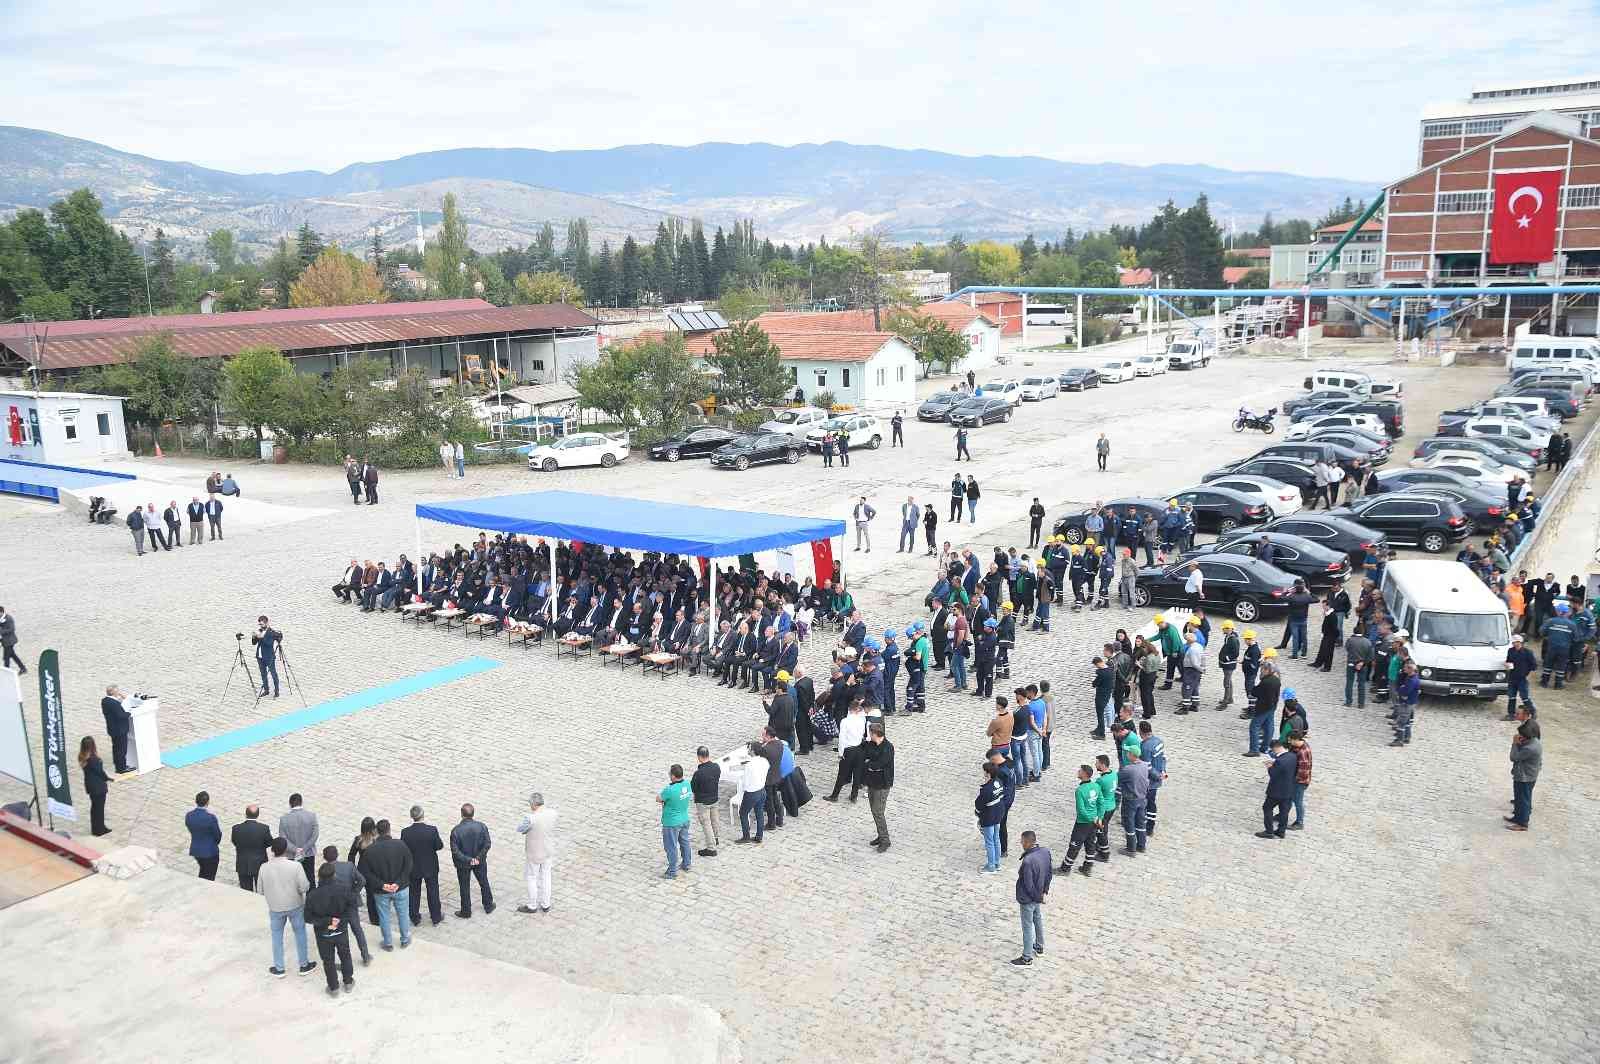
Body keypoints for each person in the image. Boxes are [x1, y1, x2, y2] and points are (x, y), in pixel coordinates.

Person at [260, 838, 316, 977]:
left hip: (275, 907)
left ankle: (279, 968)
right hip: (295, 905)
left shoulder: (264, 867)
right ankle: (304, 964)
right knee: (300, 933)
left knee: (277, 936)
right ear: (286, 850)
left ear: (272, 850)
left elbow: (260, 890)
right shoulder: (295, 866)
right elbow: (304, 886)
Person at [361, 819, 414, 951]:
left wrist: (382, 885)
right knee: (403, 913)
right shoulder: (400, 845)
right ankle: (405, 939)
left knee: (384, 916)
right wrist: (398, 883)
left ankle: (388, 942)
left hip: (381, 891)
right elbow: (408, 865)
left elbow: (365, 872)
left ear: (376, 832)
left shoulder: (370, 850)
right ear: (389, 830)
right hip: (400, 888)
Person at [305, 865, 355, 997]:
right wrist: (339, 921)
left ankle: (333, 988)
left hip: (323, 934)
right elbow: (351, 909)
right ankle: (348, 982)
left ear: (319, 876)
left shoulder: (312, 895)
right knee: (345, 955)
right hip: (341, 930)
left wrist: (327, 921)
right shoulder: (344, 890)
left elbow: (308, 918)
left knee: (328, 961)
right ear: (334, 875)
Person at [319, 843, 372, 967]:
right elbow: (362, 880)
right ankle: (365, 956)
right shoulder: (349, 866)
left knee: (339, 935)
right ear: (337, 855)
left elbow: (322, 888)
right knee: (357, 929)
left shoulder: (324, 870)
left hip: (335, 908)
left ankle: (342, 962)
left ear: (325, 858)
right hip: (350, 904)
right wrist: (353, 893)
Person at [1012, 830, 1052, 966]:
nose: (1021, 843)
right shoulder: (1045, 852)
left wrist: (1038, 898)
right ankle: (1039, 946)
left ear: (1028, 842)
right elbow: (1049, 873)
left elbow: (1028, 885)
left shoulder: (1028, 861)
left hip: (1028, 898)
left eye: (1022, 841)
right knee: (1038, 919)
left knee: (1027, 926)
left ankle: (1026, 957)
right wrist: (1044, 891)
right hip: (1039, 893)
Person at [401, 805, 445, 926]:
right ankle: (436, 916)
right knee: (433, 891)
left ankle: (414, 917)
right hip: (430, 866)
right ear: (423, 815)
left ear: (412, 816)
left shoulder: (405, 832)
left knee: (414, 893)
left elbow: (404, 850)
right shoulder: (431, 830)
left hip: (413, 867)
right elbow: (439, 846)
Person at [450, 804, 495, 917]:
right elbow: (487, 844)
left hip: (463, 864)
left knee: (464, 886)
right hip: (479, 861)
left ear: (461, 814)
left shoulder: (456, 831)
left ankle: (466, 911)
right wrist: (477, 858)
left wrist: (469, 860)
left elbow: (456, 851)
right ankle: (488, 905)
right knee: (484, 882)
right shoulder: (482, 826)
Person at [516, 792, 558, 912]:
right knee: (546, 877)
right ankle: (546, 904)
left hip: (534, 852)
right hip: (548, 850)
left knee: (531, 877)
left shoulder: (530, 818)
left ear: (534, 804)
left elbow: (520, 829)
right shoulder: (553, 813)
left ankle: (532, 905)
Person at [658, 764, 694, 879]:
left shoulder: (670, 789)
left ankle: (672, 871)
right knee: (685, 842)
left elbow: (658, 798)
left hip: (671, 822)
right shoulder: (687, 784)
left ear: (673, 776)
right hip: (684, 818)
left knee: (671, 846)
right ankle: (687, 863)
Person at [862, 723, 894, 852]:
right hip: (872, 782)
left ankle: (885, 840)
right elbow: (866, 755)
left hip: (882, 785)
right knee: (874, 811)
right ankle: (881, 836)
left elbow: (878, 764)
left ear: (875, 734)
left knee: (878, 812)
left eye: (870, 733)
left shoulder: (888, 748)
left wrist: (869, 763)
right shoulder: (872, 744)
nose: (869, 736)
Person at [1507, 713, 1542, 831]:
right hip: (1525, 774)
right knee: (1519, 797)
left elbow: (1514, 757)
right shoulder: (1534, 741)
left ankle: (1523, 823)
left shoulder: (1530, 748)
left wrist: (1515, 743)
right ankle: (1517, 817)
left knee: (1524, 800)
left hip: (1525, 776)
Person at [1257, 739, 1297, 839]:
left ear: (1276, 748)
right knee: (1284, 812)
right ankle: (1281, 831)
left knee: (1267, 808)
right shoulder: (1292, 756)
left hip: (1276, 791)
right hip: (1289, 790)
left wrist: (1269, 767)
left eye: (1273, 750)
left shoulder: (1279, 761)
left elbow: (1273, 775)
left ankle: (1269, 831)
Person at [278, 792, 319, 885]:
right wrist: (304, 849)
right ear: (301, 802)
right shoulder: (312, 816)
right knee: (310, 878)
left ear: (290, 804)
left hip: (291, 855)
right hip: (308, 853)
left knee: (292, 880)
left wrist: (296, 850)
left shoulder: (284, 819)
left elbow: (283, 838)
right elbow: (315, 835)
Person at [230, 804, 273, 892]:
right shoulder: (264, 828)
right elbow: (269, 843)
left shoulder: (236, 828)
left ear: (245, 814)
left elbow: (235, 842)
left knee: (245, 892)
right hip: (260, 863)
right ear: (258, 815)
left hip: (243, 863)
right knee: (261, 890)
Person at [1116, 746, 1150, 855]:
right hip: (1142, 798)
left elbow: (1118, 779)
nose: (1126, 754)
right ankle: (1141, 845)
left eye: (1128, 753)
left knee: (1129, 823)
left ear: (1131, 755)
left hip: (1131, 800)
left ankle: (1131, 848)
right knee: (1140, 822)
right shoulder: (1145, 765)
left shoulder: (1128, 769)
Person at [735, 742, 769, 844]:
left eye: (749, 749)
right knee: (759, 813)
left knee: (743, 813)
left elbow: (745, 782)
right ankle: (759, 836)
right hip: (762, 790)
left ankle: (746, 836)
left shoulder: (749, 765)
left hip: (752, 793)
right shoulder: (764, 761)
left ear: (753, 751)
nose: (748, 750)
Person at [976, 761, 1006, 873]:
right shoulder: (999, 782)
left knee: (989, 841)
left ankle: (991, 866)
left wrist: (977, 813)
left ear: (988, 774)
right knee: (996, 838)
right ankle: (997, 863)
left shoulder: (986, 789)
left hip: (988, 817)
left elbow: (979, 804)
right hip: (998, 814)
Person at [691, 748, 721, 857]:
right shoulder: (716, 767)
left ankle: (711, 848)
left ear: (699, 757)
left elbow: (693, 787)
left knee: (706, 824)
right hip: (714, 798)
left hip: (703, 802)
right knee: (715, 819)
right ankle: (715, 838)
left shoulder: (699, 773)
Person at [78, 736, 112, 836]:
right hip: (98, 786)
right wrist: (107, 778)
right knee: (99, 808)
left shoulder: (82, 757)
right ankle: (100, 829)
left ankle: (96, 827)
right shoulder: (93, 759)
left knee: (94, 807)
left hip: (90, 785)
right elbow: (100, 772)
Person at [186, 790, 222, 880]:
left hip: (196, 850)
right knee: (209, 876)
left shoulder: (189, 815)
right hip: (210, 852)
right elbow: (218, 835)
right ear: (208, 802)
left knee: (203, 871)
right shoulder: (210, 818)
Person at [1139, 721, 1167, 836]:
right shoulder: (1159, 741)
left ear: (1141, 732)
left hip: (1149, 781)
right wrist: (1163, 771)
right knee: (1152, 802)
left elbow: (1147, 767)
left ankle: (1148, 827)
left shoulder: (1145, 746)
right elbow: (1164, 757)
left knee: (1148, 803)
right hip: (1158, 775)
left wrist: (1157, 775)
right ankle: (1150, 824)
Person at [98, 684, 132, 774]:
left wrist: (121, 697)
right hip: (120, 730)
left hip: (112, 729)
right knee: (121, 749)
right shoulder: (114, 703)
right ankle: (122, 768)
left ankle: (118, 764)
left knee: (116, 748)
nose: (118, 692)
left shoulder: (105, 701)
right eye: (117, 691)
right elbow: (121, 715)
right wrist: (129, 713)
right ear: (113, 692)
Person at [1504, 634, 1538, 720]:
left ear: (1521, 642)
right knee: (1511, 696)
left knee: (1524, 697)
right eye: (1514, 642)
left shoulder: (1528, 652)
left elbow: (1534, 666)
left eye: (1517, 642)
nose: (1515, 644)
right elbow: (1508, 660)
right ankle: (1511, 714)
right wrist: (1507, 664)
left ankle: (1532, 712)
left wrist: (1526, 672)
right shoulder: (1510, 651)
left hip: (1522, 678)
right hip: (1512, 677)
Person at [251, 616, 282, 699]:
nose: (261, 626)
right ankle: (266, 689)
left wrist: (261, 637)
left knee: (273, 674)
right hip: (260, 656)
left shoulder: (271, 632)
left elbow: (269, 643)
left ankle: (277, 691)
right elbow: (254, 643)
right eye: (260, 624)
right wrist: (254, 637)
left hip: (269, 657)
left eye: (262, 624)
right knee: (263, 674)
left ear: (267, 623)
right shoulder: (260, 631)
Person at [1345, 624, 1374, 708]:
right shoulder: (1367, 642)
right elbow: (1370, 656)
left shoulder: (1350, 640)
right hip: (1362, 665)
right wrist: (1363, 662)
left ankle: (1348, 702)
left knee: (1349, 682)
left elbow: (1347, 649)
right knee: (1361, 684)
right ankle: (1361, 703)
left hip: (1351, 663)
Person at [1287, 732, 1312, 831]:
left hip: (1299, 782)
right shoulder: (1298, 747)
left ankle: (1299, 822)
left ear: (1296, 739)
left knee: (1298, 801)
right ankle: (1282, 814)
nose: (1289, 742)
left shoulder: (1303, 752)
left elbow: (1303, 772)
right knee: (1288, 799)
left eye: (1290, 740)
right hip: (1295, 779)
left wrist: (1293, 780)